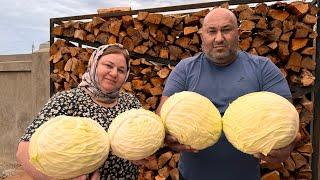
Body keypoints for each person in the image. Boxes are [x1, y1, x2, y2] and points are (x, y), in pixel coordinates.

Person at [156, 8, 301, 180]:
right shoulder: (185, 69)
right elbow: (162, 115)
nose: (219, 38)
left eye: (226, 30)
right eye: (212, 31)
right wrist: (167, 135)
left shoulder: (263, 68)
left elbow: (288, 118)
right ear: (202, 35)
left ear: (238, 33)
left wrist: (288, 144)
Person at [16, 43, 142, 180]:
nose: (114, 73)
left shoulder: (130, 102)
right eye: (108, 65)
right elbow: (23, 151)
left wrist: (140, 154)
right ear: (94, 64)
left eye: (121, 70)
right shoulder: (67, 100)